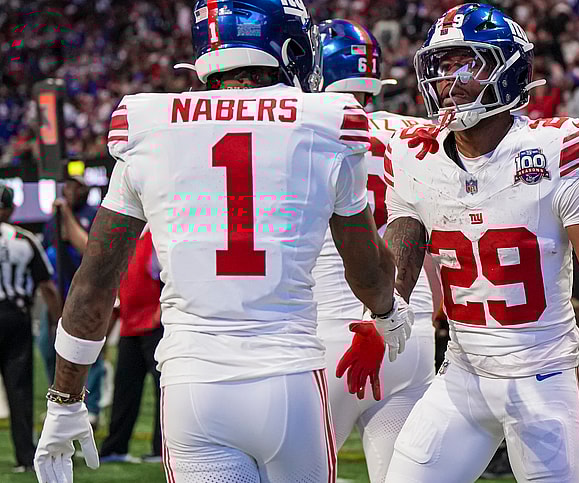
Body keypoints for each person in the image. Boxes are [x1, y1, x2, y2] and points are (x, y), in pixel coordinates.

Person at [32, 0, 415, 481]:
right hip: (290, 377)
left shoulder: (148, 121)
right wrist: (387, 311)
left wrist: (65, 399)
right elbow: (368, 272)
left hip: (193, 383)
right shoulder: (328, 119)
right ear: (290, 45)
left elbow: (94, 283)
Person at [382, 4, 579, 482]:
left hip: (542, 376)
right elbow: (404, 233)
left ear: (510, 71)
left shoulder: (552, 151)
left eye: (469, 63)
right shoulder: (416, 154)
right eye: (443, 67)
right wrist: (382, 312)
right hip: (462, 374)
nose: (451, 79)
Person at [311, 19, 437, 483]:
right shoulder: (416, 133)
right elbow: (420, 236)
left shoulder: (308, 131)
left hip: (334, 332)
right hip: (412, 332)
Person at [0, 185, 61, 474]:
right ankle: (25, 457)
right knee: (19, 388)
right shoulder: (24, 239)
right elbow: (47, 287)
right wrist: (57, 323)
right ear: (11, 209)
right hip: (15, 317)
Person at [38, 174, 105, 425]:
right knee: (47, 347)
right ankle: (59, 400)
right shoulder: (51, 221)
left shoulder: (93, 215)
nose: (70, 190)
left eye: (76, 186)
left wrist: (66, 214)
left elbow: (89, 250)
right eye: (67, 185)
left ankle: (93, 406)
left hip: (85, 299)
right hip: (58, 296)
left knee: (88, 354)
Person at [99, 228, 163, 464]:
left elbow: (171, 278)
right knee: (124, 390)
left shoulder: (156, 237)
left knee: (163, 390)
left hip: (154, 326)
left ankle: (161, 449)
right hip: (130, 326)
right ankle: (115, 448)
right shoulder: (128, 242)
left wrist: (160, 313)